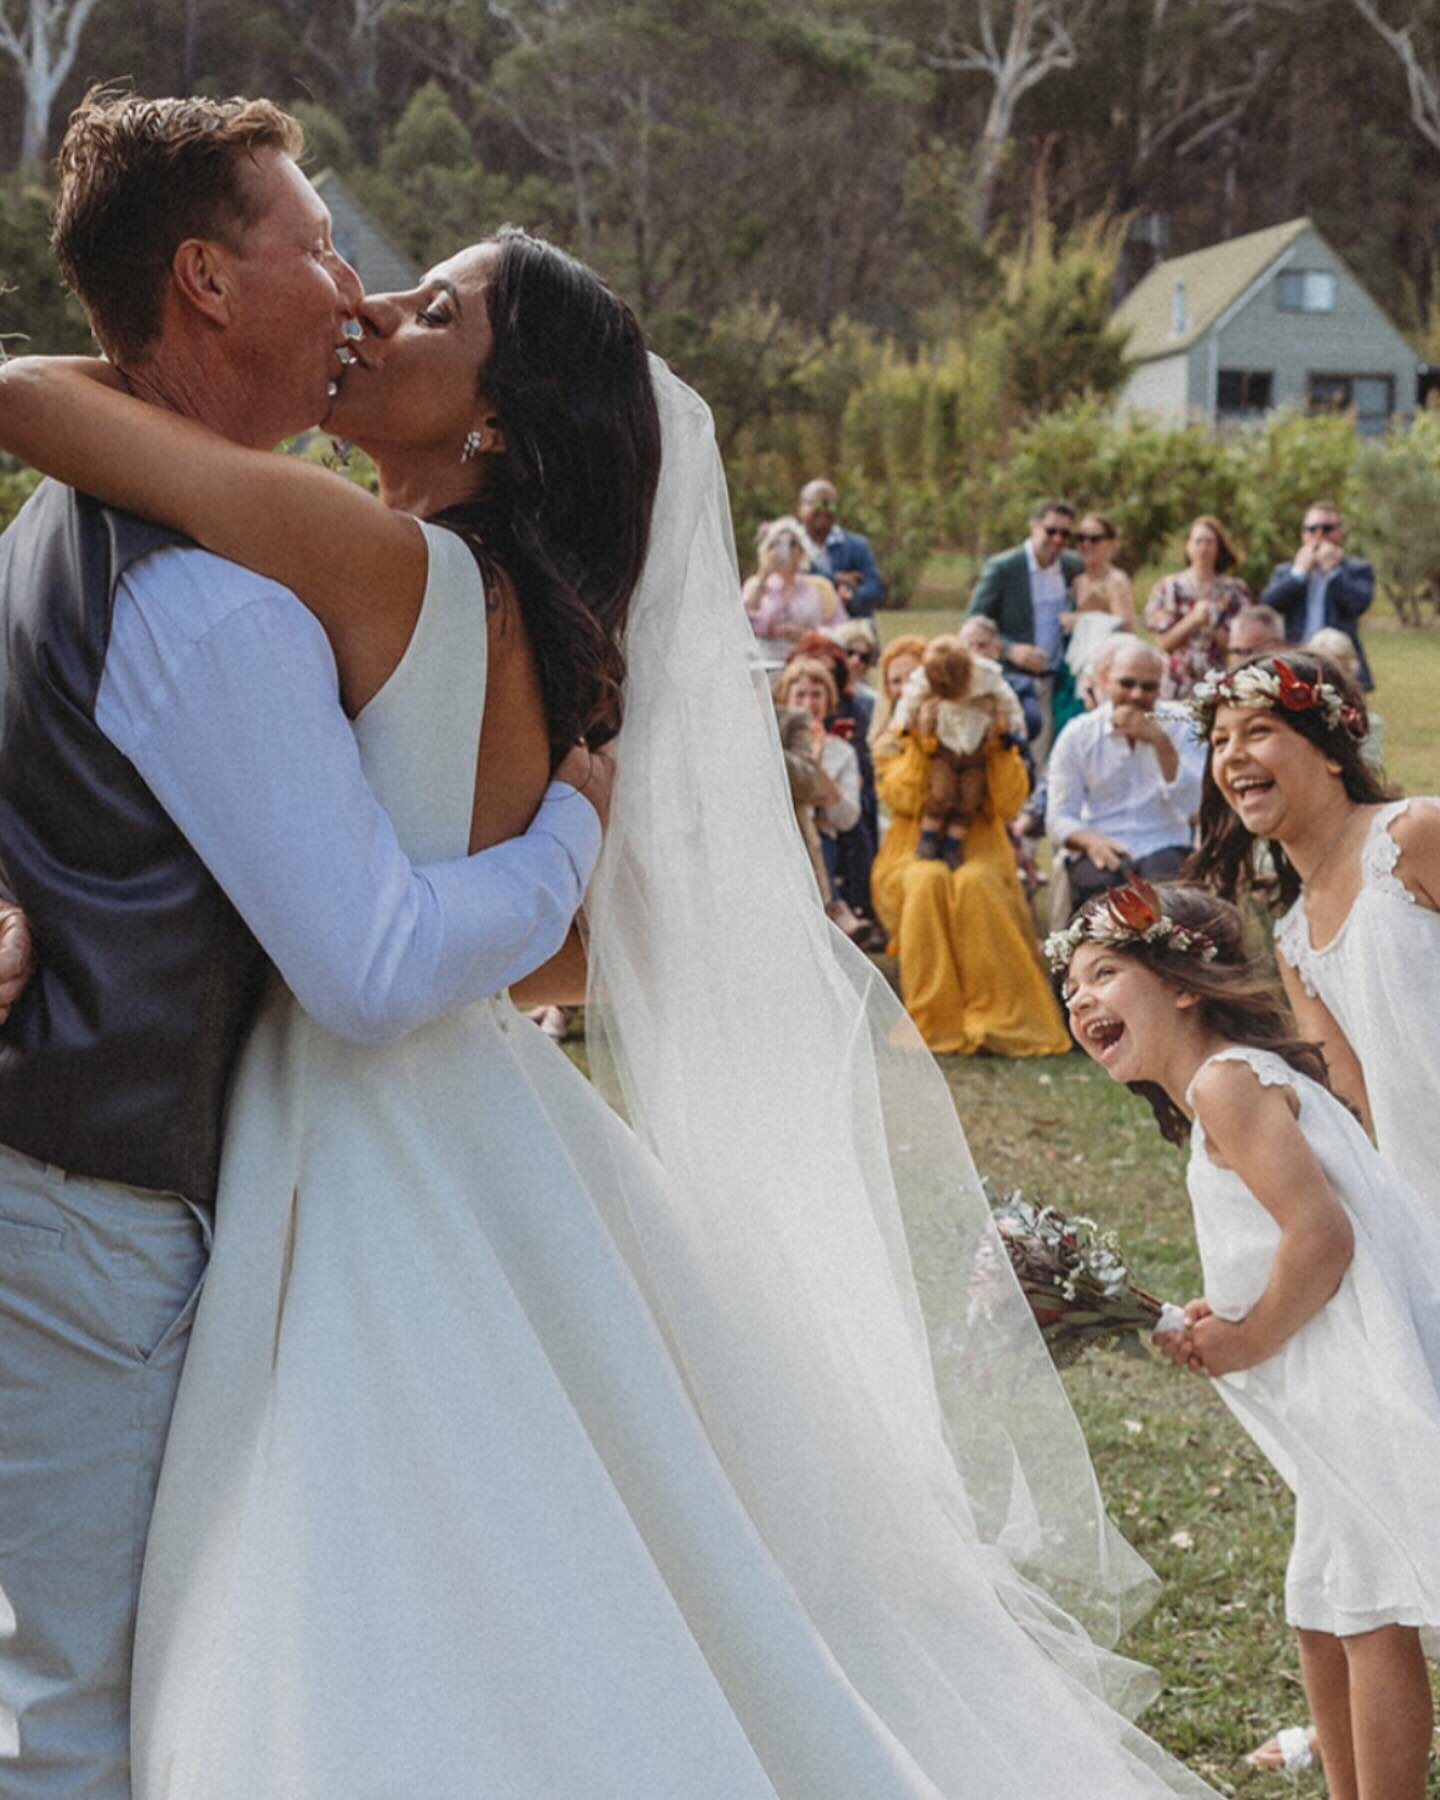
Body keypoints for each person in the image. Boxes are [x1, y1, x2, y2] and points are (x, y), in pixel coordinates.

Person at [1, 220, 1221, 1800]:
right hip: (463, 1105)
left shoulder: (387, 563)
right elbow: (558, 960)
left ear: (496, 415)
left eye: (432, 311)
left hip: (362, 1137)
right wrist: (547, 841)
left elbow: (29, 396)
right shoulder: (534, 609)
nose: (376, 308)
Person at [0, 93, 612, 1797]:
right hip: (92, 1210)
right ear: (205, 277)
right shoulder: (210, 599)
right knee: (94, 1706)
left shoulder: (80, 536)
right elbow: (361, 962)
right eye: (322, 245)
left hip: (160, 1193)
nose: (355, 288)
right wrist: (575, 836)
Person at [1055, 879, 1440, 1800]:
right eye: (1071, 986)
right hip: (1333, 1376)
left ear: (1183, 981)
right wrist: (1213, 1315)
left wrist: (1247, 1338)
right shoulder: (1220, 1087)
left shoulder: (1228, 1082)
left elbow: (1323, 1237)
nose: (1080, 999)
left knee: (1371, 1608)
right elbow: (1279, 1239)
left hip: (1359, 1375)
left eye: (1105, 972)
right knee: (1323, 1605)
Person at [1186, 653, 1440, 1216]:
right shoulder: (1293, 938)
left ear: (1329, 751)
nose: (1233, 755)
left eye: (1258, 732)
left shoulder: (1414, 834)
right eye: (1220, 740)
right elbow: (1349, 1102)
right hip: (1425, 1180)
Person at [870, 651, 1071, 1058]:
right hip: (911, 845)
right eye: (898, 679)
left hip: (981, 839)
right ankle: (934, 1019)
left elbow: (1008, 802)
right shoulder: (891, 741)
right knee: (926, 880)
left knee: (975, 882)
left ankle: (996, 1016)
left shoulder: (987, 726)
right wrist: (923, 746)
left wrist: (994, 743)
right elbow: (903, 797)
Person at [1045, 636, 1205, 914]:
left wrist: (1161, 744)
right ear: (1105, 681)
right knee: (1100, 894)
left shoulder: (1182, 725)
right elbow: (1058, 818)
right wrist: (1091, 841)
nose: (1136, 695)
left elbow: (1195, 809)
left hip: (1165, 841)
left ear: (1162, 686)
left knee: (1166, 898)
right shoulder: (1079, 734)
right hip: (1102, 841)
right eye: (1126, 684)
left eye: (1148, 687)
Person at [891, 633, 1027, 867]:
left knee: (970, 795)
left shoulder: (986, 675)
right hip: (945, 744)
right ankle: (929, 837)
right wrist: (902, 724)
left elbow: (1008, 701)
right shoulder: (924, 677)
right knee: (942, 791)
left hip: (976, 747)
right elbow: (909, 700)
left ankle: (954, 843)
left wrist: (1013, 725)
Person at [966, 499, 1082, 764]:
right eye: (1051, 531)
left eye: (1065, 534)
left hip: (1057, 678)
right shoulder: (1004, 567)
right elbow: (973, 622)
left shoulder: (1072, 567)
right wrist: (1009, 649)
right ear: (1033, 527)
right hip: (1013, 676)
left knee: (1052, 757)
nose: (1057, 539)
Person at [1259, 501, 1375, 690]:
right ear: (1303, 534)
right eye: (1312, 529)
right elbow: (1267, 605)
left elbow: (1359, 604)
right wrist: (1298, 574)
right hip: (1296, 659)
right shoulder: (1287, 572)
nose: (1319, 535)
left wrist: (1333, 572)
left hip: (1339, 662)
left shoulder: (1356, 570)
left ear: (1340, 533)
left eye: (1327, 528)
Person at [1143, 516, 1251, 701]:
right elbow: (1163, 643)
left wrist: (1212, 628)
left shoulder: (1233, 591)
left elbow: (1239, 646)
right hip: (1175, 683)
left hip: (1215, 681)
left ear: (1218, 547)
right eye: (1198, 541)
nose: (1203, 547)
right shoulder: (1169, 587)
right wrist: (1193, 620)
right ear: (1189, 546)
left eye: (1209, 542)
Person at [1054, 512, 1135, 732]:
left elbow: (1125, 626)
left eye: (1094, 539)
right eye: (1080, 538)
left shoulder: (1115, 581)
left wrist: (1081, 620)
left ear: (1111, 543)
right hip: (1069, 670)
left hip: (1099, 672)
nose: (1085, 545)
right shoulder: (1077, 581)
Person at [743, 513, 843, 661]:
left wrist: (804, 635)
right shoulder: (754, 585)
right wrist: (763, 576)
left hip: (806, 660)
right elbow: (742, 622)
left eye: (792, 544)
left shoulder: (819, 587)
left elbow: (840, 630)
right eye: (776, 544)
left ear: (802, 551)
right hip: (763, 662)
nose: (786, 550)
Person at [796, 477, 886, 618]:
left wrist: (851, 597)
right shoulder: (791, 545)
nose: (824, 510)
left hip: (851, 626)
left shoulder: (856, 545)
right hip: (800, 626)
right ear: (801, 508)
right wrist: (835, 580)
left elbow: (875, 586)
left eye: (830, 505)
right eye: (818, 503)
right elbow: (788, 582)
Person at [1306, 627, 1384, 770]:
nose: (1327, 678)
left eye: (1336, 670)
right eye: (1320, 668)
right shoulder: (1294, 714)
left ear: (1350, 673)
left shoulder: (1368, 722)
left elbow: (1369, 770)